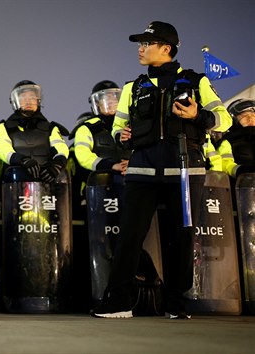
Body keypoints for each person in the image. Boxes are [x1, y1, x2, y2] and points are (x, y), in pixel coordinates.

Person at [91, 21, 232, 319]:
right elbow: (118, 127)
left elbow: (224, 119)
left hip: (184, 171)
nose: (140, 49)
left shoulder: (197, 82)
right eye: (140, 43)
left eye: (147, 43)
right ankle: (118, 302)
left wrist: (198, 115)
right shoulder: (132, 87)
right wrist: (121, 136)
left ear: (166, 48)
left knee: (179, 237)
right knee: (129, 235)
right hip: (142, 170)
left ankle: (176, 304)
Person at [0, 80, 69, 182]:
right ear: (15, 101)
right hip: (15, 183)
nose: (28, 101)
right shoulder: (4, 127)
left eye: (32, 97)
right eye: (23, 97)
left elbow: (61, 147)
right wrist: (21, 160)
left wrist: (57, 164)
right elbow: (3, 148)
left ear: (38, 101)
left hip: (47, 182)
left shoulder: (50, 127)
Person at [217, 99, 255, 178]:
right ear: (234, 120)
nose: (250, 118)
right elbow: (226, 164)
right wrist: (241, 170)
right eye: (244, 116)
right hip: (244, 185)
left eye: (253, 115)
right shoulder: (227, 141)